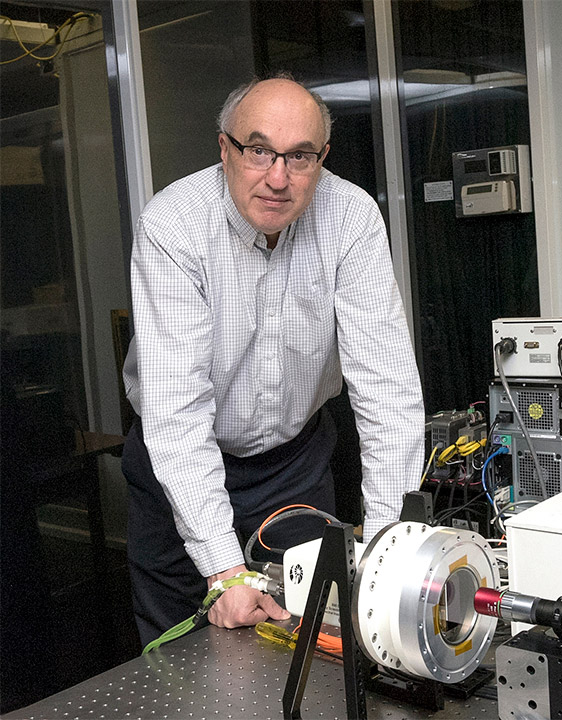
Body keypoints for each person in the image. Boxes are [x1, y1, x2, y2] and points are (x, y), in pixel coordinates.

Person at [121, 74, 424, 646]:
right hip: (174, 464)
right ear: (225, 149)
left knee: (315, 635)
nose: (278, 178)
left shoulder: (352, 218)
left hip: (294, 463)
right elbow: (177, 413)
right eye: (259, 150)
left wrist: (390, 550)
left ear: (322, 157)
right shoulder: (173, 225)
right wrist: (222, 570)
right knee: (182, 652)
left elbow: (387, 390)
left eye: (300, 157)